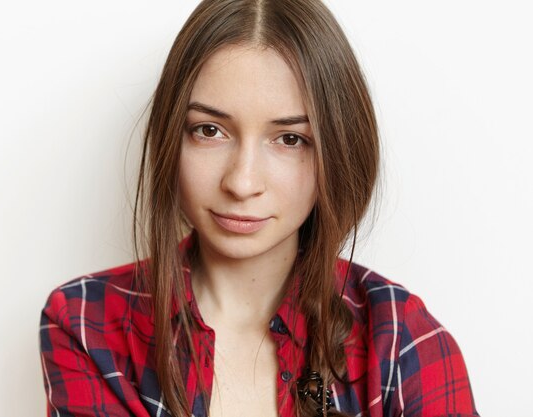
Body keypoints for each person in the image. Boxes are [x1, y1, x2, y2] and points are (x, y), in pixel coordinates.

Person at [39, 0, 479, 416]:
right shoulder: (86, 323)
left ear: (340, 150)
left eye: (290, 139)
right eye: (209, 131)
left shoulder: (402, 340)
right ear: (171, 134)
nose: (242, 182)